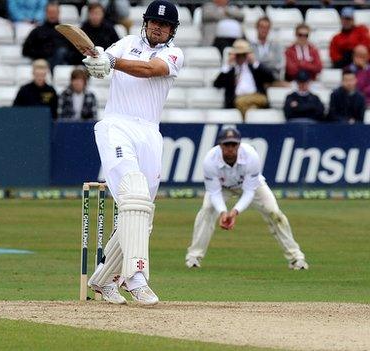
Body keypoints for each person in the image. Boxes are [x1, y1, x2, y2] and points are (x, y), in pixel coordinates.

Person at [82, 0, 184, 306]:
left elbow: (149, 70)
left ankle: (101, 280)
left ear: (171, 30)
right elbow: (103, 64)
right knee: (134, 195)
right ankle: (136, 276)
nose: (157, 27)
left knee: (141, 215)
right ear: (146, 22)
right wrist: (98, 63)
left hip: (149, 133)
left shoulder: (175, 54)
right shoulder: (125, 43)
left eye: (164, 24)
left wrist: (111, 64)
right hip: (116, 125)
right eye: (153, 21)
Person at [185, 127, 309, 271]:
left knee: (274, 213)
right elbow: (214, 192)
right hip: (222, 187)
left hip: (250, 185)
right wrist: (223, 212)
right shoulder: (210, 160)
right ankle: (193, 257)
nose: (230, 148)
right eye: (226, 145)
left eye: (234, 144)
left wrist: (235, 212)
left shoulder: (250, 155)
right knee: (206, 210)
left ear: (239, 144)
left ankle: (296, 258)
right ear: (220, 145)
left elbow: (249, 191)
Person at [214, 39, 274, 117]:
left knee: (245, 102)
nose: (241, 57)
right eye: (238, 55)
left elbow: (271, 78)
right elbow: (217, 84)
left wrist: (254, 62)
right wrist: (227, 65)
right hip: (239, 100)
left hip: (256, 97)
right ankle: (252, 112)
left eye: (243, 54)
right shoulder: (230, 71)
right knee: (242, 103)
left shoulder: (254, 68)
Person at [22, 2, 73, 69]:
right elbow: (25, 50)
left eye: (54, 12)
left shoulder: (65, 31)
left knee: (62, 52)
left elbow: (71, 52)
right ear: (45, 13)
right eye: (50, 12)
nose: (52, 15)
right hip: (44, 63)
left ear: (58, 13)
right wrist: (43, 52)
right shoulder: (37, 31)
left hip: (62, 64)